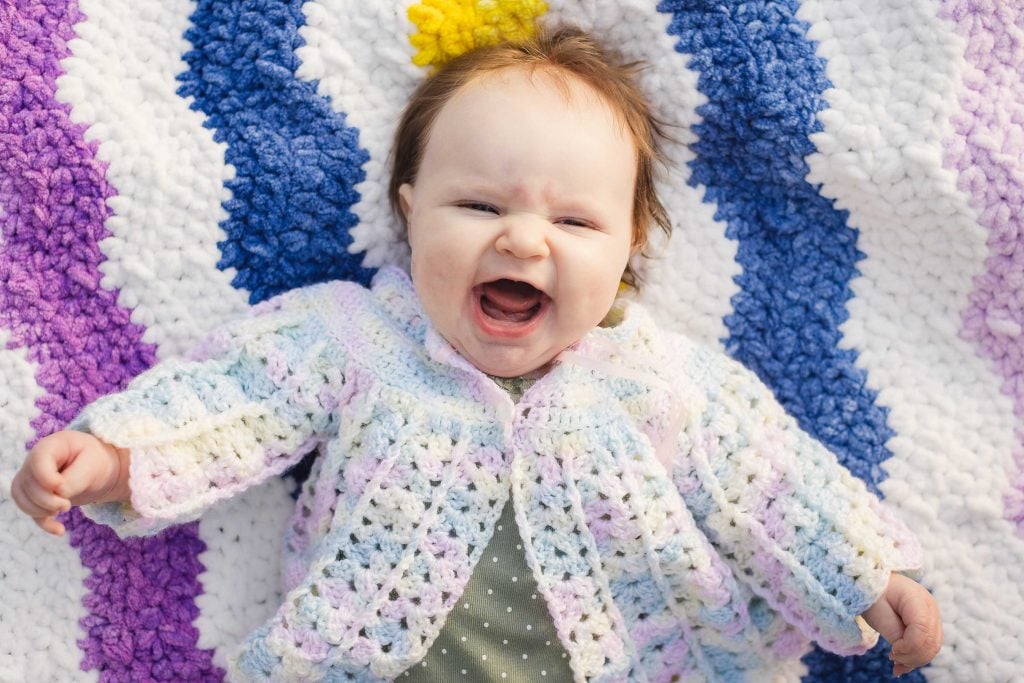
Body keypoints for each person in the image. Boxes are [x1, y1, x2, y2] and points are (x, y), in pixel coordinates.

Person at [10, 26, 941, 682]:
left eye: (575, 220)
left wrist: (869, 574)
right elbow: (236, 399)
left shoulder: (659, 379)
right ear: (412, 213)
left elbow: (768, 482)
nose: (525, 241)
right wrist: (119, 454)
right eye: (481, 206)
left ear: (630, 247)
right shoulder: (351, 336)